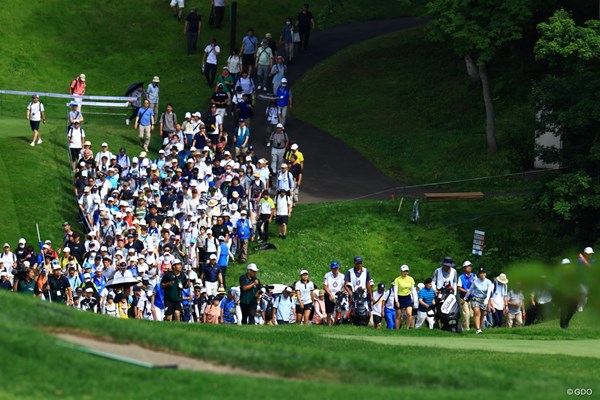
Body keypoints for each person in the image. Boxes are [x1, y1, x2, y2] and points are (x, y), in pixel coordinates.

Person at [467, 267, 494, 334]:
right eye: (480, 273)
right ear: (478, 274)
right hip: (476, 299)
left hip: (484, 299)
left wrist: (487, 299)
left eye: (483, 273)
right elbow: (470, 290)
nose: (482, 274)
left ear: (485, 274)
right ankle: (478, 329)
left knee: (483, 314)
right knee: (477, 313)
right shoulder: (475, 282)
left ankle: (479, 327)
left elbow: (489, 292)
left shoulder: (488, 282)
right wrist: (465, 299)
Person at [393, 265, 416, 330]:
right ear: (401, 271)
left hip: (407, 297)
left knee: (409, 314)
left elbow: (413, 290)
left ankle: (407, 329)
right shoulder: (397, 279)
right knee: (399, 315)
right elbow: (395, 291)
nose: (405, 272)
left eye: (406, 271)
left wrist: (414, 299)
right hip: (399, 297)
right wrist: (396, 301)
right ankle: (397, 329)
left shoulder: (410, 279)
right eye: (404, 271)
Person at [457, 260, 476, 331]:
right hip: (463, 298)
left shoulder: (474, 275)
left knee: (471, 314)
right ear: (464, 268)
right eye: (467, 266)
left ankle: (463, 324)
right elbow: (459, 288)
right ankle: (467, 328)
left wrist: (475, 281)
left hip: (472, 297)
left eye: (470, 266)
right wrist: (466, 291)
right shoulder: (461, 277)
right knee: (466, 314)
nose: (469, 268)